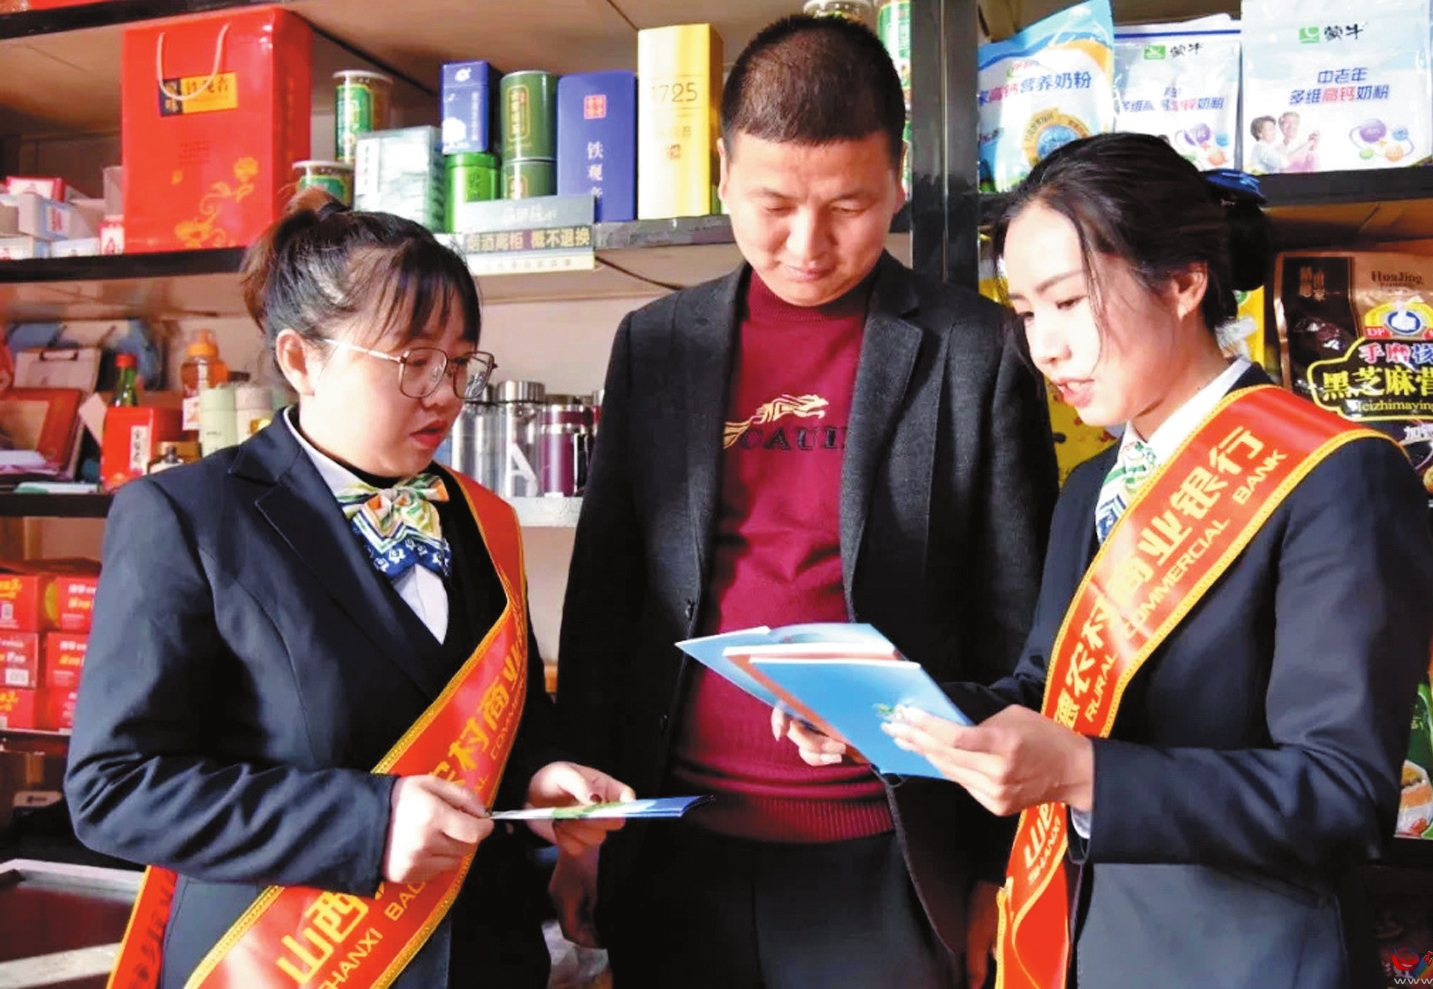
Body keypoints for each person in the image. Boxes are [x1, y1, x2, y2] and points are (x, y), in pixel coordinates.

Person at [790, 133, 1433, 989]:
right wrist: (881, 716)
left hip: (1243, 960)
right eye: (1027, 312)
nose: (1045, 348)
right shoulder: (1091, 486)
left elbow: (1340, 793)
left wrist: (1086, 773)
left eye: (1068, 301)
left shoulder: (1333, 477)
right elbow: (1045, 692)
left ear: (1182, 283)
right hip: (1083, 944)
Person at [553, 13, 1058, 989]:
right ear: (721, 176)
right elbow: (605, 598)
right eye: (773, 204)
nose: (807, 244)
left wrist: (995, 873)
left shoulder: (975, 350)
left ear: (898, 182)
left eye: (848, 205)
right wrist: (583, 836)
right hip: (676, 848)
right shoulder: (658, 343)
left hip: (892, 856)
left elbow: (1017, 629)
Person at [65, 190, 635, 989]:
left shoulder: (480, 518)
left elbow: (507, 721)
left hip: (483, 956)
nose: (444, 392)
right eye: (412, 359)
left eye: (460, 362)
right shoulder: (187, 516)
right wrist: (370, 823)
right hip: (283, 960)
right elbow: (114, 788)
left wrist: (541, 780)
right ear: (302, 359)